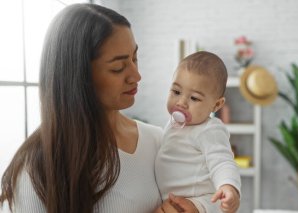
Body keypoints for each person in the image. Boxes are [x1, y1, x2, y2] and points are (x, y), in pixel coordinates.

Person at [0, 3, 198, 213]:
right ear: (78, 75)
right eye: (118, 67)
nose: (136, 76)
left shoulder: (157, 139)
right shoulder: (37, 167)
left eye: (134, 58)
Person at [155, 51, 242, 213]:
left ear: (216, 105)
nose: (181, 102)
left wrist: (228, 187)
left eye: (194, 98)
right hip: (171, 199)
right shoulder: (173, 124)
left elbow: (222, 161)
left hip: (199, 201)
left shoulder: (209, 130)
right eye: (176, 92)